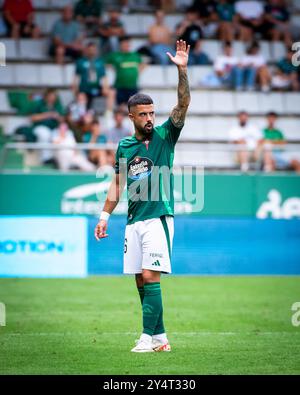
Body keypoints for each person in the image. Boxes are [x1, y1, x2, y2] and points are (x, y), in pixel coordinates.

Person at [94, 40, 191, 353]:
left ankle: (147, 338)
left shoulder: (165, 136)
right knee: (139, 279)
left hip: (158, 217)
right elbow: (118, 182)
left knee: (151, 275)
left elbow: (183, 104)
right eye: (143, 114)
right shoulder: (124, 146)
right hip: (133, 220)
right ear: (131, 117)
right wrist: (104, 215)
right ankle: (160, 337)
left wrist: (182, 71)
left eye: (152, 113)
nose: (150, 118)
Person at [105, 35, 146, 106]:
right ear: (120, 45)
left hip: (132, 86)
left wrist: (137, 72)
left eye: (128, 44)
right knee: (121, 105)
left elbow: (143, 64)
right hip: (120, 86)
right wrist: (113, 69)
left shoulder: (135, 55)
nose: (126, 45)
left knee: (133, 106)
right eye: (124, 44)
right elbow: (106, 64)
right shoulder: (115, 55)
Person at [73, 42, 115, 111]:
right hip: (84, 88)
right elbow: (76, 76)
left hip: (96, 87)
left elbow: (104, 76)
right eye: (90, 50)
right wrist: (75, 88)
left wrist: (105, 87)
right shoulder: (80, 62)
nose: (91, 51)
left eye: (93, 50)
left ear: (96, 50)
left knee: (111, 92)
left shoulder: (99, 62)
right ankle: (82, 115)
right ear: (86, 50)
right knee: (81, 96)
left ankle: (109, 113)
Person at [30, 89, 65, 164]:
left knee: (60, 136)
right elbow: (33, 118)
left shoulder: (58, 105)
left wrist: (57, 117)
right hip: (40, 127)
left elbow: (63, 120)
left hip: (54, 128)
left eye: (54, 96)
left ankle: (59, 160)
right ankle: (45, 158)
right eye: (50, 96)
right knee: (45, 134)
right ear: (46, 96)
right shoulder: (40, 104)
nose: (52, 98)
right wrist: (47, 114)